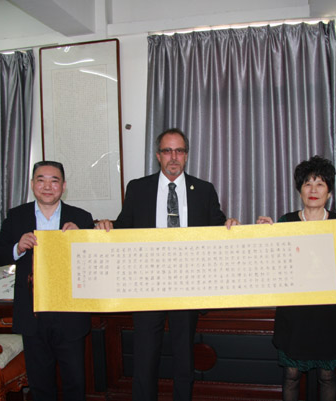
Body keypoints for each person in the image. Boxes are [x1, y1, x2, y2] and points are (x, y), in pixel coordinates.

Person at [96, 128, 239, 401]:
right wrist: (107, 226)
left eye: (179, 151)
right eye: (167, 151)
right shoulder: (138, 188)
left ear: (186, 155)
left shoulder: (204, 190)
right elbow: (124, 228)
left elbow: (218, 227)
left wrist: (230, 224)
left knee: (184, 358)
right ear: (158, 155)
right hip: (147, 286)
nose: (174, 157)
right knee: (145, 357)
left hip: (187, 285)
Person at [256, 155, 336, 401]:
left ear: (329, 192)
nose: (313, 190)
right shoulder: (286, 222)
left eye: (320, 184)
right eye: (307, 184)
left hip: (327, 315)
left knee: (327, 376)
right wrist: (264, 237)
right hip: (294, 316)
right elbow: (271, 267)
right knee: (291, 375)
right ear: (300, 191)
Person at [0, 161, 96, 401]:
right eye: (41, 180)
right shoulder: (17, 216)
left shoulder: (80, 217)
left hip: (69, 313)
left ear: (63, 186)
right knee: (40, 385)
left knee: (75, 382)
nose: (47, 186)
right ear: (32, 184)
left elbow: (95, 264)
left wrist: (82, 240)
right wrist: (18, 247)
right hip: (33, 314)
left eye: (54, 181)